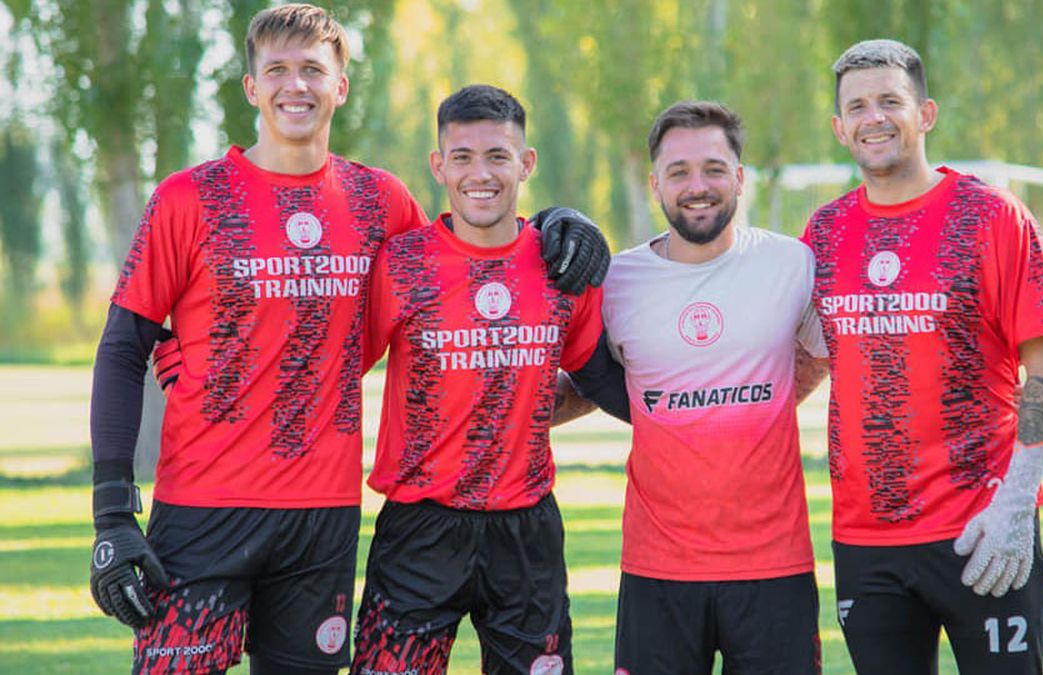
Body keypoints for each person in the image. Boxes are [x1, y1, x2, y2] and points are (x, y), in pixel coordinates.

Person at [87, 6, 607, 674]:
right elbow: (122, 347)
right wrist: (112, 513)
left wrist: (562, 223)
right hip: (202, 507)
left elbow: (470, 257)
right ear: (251, 86)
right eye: (277, 69)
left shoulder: (379, 201)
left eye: (312, 69)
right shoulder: (190, 197)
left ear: (341, 85)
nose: (294, 85)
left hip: (322, 517)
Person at [801, 39, 1043, 674]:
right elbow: (807, 360)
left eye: (890, 101)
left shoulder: (991, 217)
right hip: (866, 539)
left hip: (983, 528)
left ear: (926, 114)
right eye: (857, 106)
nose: (874, 118)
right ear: (839, 127)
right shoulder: (824, 232)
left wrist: (1016, 503)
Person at [349, 84, 625, 675]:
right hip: (420, 528)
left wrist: (693, 413)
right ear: (438, 166)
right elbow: (330, 368)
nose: (481, 174)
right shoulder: (400, 264)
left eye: (498, 156)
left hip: (526, 530)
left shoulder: (561, 265)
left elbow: (600, 376)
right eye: (463, 157)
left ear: (526, 163)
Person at [561, 100, 827, 674]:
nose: (697, 186)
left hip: (774, 566)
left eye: (713, 169)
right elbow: (590, 379)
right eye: (678, 172)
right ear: (655, 183)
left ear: (740, 177)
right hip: (658, 568)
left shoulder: (792, 264)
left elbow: (823, 357)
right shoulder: (618, 281)